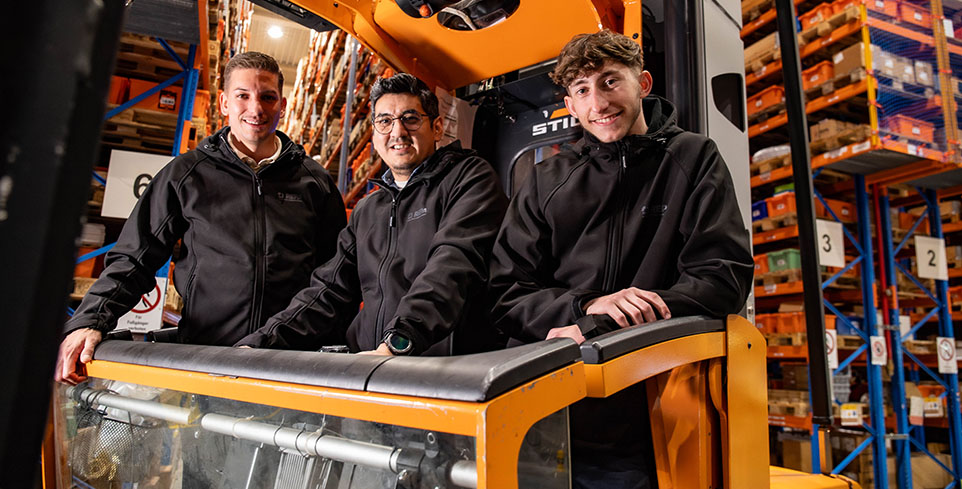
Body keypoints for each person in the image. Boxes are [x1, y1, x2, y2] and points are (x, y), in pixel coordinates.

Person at [488, 30, 754, 488]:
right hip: (545, 407)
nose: (599, 102)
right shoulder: (545, 179)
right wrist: (587, 306)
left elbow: (722, 277)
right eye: (582, 90)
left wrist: (606, 323)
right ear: (570, 106)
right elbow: (506, 293)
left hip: (648, 411)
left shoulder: (693, 158)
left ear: (643, 84)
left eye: (610, 81)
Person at [55, 52, 347, 384]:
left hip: (289, 364)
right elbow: (135, 256)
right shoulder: (187, 174)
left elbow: (335, 277)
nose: (256, 109)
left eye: (268, 97)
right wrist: (90, 320)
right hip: (205, 358)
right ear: (224, 103)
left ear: (282, 104)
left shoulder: (315, 182)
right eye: (243, 96)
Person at [234, 73, 508, 356]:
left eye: (410, 119)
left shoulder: (469, 180)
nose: (397, 132)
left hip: (444, 368)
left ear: (437, 128)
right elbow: (329, 290)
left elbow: (454, 265)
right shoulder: (368, 210)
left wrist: (399, 341)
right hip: (372, 364)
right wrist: (260, 342)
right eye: (385, 121)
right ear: (375, 134)